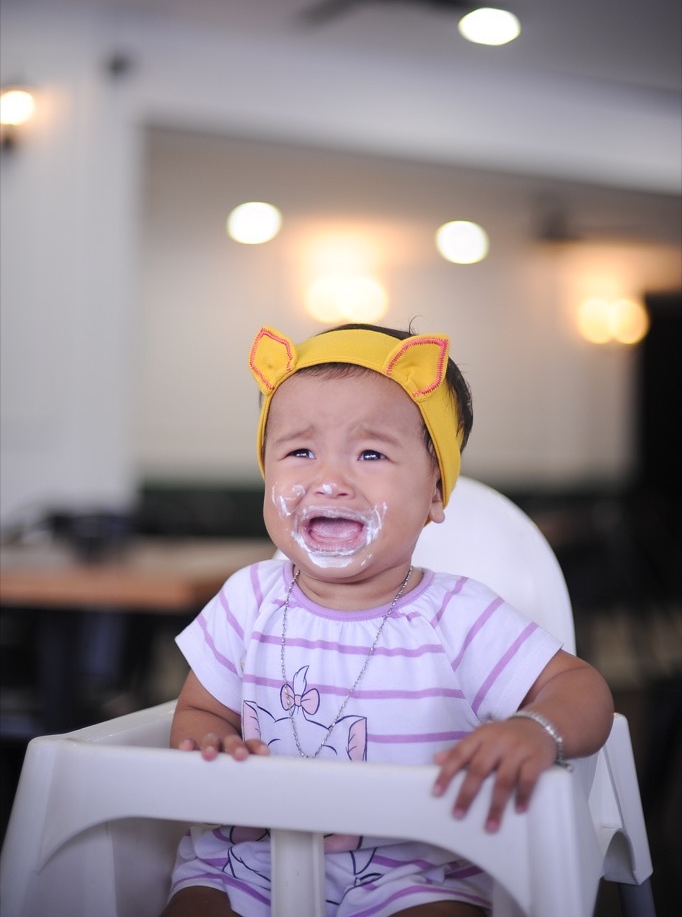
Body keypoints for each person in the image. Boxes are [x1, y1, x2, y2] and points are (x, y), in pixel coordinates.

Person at [160, 322, 614, 917]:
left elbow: (581, 688)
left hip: (417, 866)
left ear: (433, 493)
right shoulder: (248, 598)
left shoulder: (458, 615)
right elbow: (201, 709)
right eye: (300, 451)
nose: (329, 480)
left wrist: (538, 729)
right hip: (247, 856)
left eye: (371, 453)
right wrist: (207, 746)